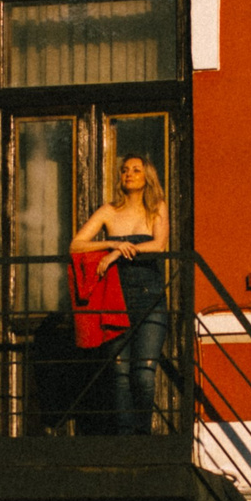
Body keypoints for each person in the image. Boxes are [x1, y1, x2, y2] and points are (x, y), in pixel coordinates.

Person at [72, 154, 169, 435]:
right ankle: (127, 438)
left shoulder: (156, 207)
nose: (129, 174)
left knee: (143, 374)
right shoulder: (108, 211)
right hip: (116, 298)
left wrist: (120, 252)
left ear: (147, 176)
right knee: (119, 373)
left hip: (149, 297)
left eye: (136, 170)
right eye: (125, 170)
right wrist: (113, 242)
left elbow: (159, 245)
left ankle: (142, 435)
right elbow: (76, 245)